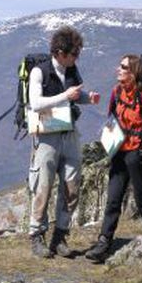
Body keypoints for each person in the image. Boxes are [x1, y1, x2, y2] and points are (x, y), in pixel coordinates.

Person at [28, 26, 100, 258]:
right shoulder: (39, 72)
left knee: (72, 186)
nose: (76, 57)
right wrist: (65, 96)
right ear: (60, 52)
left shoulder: (71, 70)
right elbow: (36, 103)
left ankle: (60, 238)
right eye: (74, 53)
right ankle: (36, 237)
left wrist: (90, 98)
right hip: (47, 134)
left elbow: (77, 95)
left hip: (69, 132)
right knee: (43, 186)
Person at [85, 54, 142, 261]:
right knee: (113, 199)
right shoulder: (116, 91)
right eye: (119, 66)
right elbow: (112, 116)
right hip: (119, 152)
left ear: (133, 72)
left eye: (123, 67)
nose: (118, 69)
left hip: (138, 154)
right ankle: (104, 243)